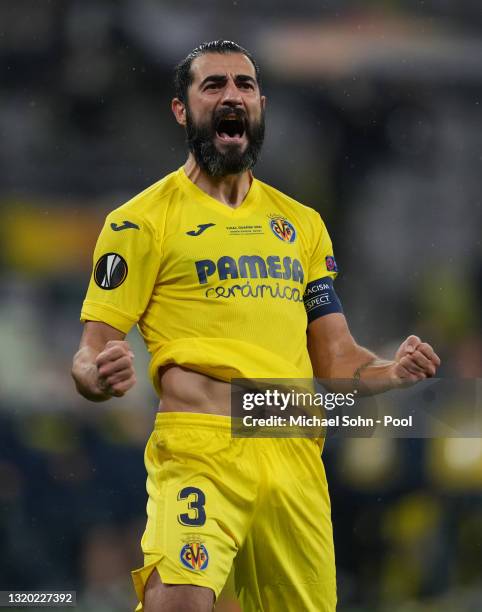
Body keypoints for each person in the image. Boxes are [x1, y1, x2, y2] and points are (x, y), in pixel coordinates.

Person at [71, 40, 440, 612]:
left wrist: (391, 372)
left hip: (292, 450)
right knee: (180, 602)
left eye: (243, 85)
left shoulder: (302, 224)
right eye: (213, 85)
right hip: (201, 448)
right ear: (181, 110)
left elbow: (335, 357)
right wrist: (99, 374)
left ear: (261, 104)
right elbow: (91, 353)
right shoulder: (139, 223)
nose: (231, 95)